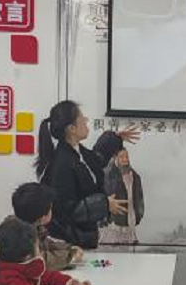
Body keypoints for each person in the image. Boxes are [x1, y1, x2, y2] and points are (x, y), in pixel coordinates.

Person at [35, 100, 140, 250]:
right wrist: (104, 204)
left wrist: (115, 138)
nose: (86, 120)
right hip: (68, 244)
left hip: (79, 238)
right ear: (71, 128)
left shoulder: (76, 151)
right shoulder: (61, 164)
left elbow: (96, 160)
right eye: (82, 118)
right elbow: (67, 210)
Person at [12, 182, 83, 271]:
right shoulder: (20, 236)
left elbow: (46, 244)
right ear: (42, 217)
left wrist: (68, 248)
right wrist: (69, 256)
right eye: (50, 208)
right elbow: (40, 261)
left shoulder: (34, 227)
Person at [101, 148, 144, 246]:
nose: (125, 160)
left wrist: (139, 214)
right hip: (113, 222)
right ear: (115, 158)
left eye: (127, 157)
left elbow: (139, 198)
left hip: (130, 218)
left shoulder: (135, 176)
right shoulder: (107, 175)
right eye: (122, 157)